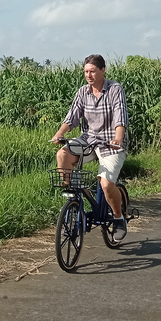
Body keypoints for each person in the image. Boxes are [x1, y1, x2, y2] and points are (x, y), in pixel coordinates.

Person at [51, 54, 129, 241]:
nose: (89, 75)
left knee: (106, 183)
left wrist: (118, 138)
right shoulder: (83, 92)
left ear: (103, 70)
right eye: (86, 71)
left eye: (93, 71)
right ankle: (74, 198)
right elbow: (72, 118)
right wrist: (59, 134)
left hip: (110, 142)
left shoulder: (114, 89)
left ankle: (118, 218)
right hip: (89, 139)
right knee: (63, 155)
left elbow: (120, 116)